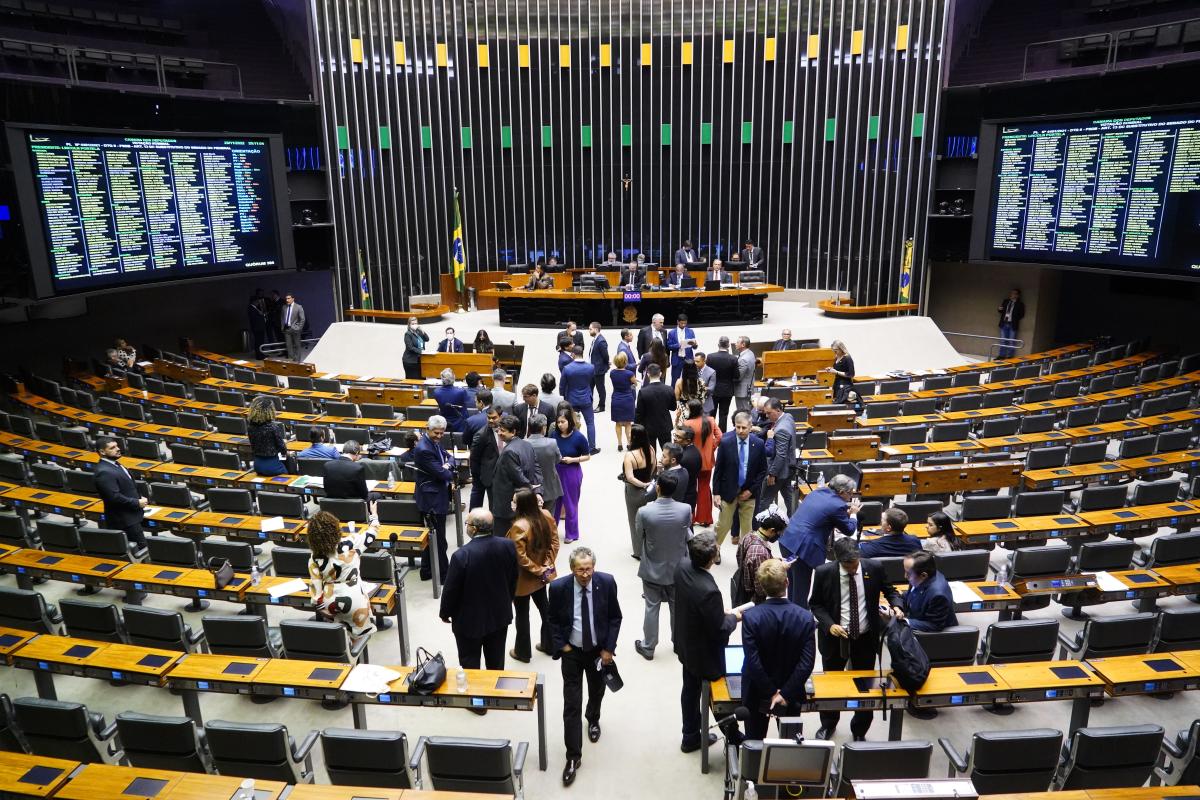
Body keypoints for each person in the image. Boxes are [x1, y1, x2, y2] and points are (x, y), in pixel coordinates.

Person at [809, 538, 904, 741]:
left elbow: (890, 590)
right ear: (838, 560)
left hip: (865, 638)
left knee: (866, 687)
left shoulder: (874, 567)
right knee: (831, 685)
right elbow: (815, 604)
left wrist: (897, 605)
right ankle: (828, 724)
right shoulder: (824, 572)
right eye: (848, 566)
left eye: (855, 565)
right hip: (835, 639)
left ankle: (859, 730)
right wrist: (829, 625)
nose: (853, 569)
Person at [549, 546, 622, 786]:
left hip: (597, 652)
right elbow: (552, 620)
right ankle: (573, 757)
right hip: (572, 652)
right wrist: (564, 646)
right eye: (580, 570)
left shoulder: (607, 583)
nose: (585, 574)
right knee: (571, 704)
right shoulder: (559, 588)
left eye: (589, 569)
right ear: (572, 569)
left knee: (597, 690)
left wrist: (608, 649)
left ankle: (593, 718)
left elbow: (614, 617)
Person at [673, 532, 742, 753]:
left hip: (686, 642)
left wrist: (714, 614)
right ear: (712, 558)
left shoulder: (682, 566)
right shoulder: (709, 591)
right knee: (719, 696)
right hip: (705, 654)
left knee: (689, 690)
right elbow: (720, 630)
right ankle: (733, 735)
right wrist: (732, 617)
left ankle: (690, 736)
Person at [741, 559, 817, 740]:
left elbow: (753, 662)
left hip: (757, 692)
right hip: (791, 692)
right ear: (787, 582)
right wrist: (784, 694)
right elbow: (807, 663)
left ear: (762, 586)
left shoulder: (751, 617)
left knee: (754, 742)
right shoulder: (805, 617)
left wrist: (771, 693)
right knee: (790, 746)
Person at [440, 508, 518, 672]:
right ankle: (496, 697)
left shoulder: (461, 555)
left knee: (470, 666)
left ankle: (474, 696)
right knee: (496, 664)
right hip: (499, 616)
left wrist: (445, 612)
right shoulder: (508, 546)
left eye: (467, 523)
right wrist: (507, 599)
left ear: (474, 529)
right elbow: (513, 578)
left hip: (469, 622)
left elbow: (451, 590)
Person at [779, 474, 862, 607]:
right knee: (801, 588)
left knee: (793, 583)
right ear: (841, 492)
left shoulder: (816, 492)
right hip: (803, 548)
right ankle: (800, 620)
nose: (851, 497)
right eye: (850, 493)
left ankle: (792, 612)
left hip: (789, 539)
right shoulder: (838, 505)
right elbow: (849, 530)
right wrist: (853, 514)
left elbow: (823, 513)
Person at [634, 471, 690, 661]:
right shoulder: (685, 509)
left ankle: (648, 647)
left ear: (657, 487)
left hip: (651, 569)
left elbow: (638, 535)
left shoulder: (644, 511)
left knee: (651, 607)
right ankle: (679, 644)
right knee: (677, 608)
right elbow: (687, 534)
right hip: (677, 569)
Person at [307, 508, 379, 645]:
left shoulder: (314, 558)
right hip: (355, 601)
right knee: (357, 644)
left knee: (340, 642)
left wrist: (326, 612)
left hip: (331, 604)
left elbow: (316, 597)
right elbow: (372, 533)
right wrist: (374, 516)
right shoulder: (351, 543)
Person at [508, 488, 560, 662]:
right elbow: (554, 541)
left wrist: (538, 569)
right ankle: (550, 644)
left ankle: (522, 652)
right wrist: (546, 565)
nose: (511, 503)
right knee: (545, 609)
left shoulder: (518, 526)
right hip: (541, 577)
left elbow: (519, 557)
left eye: (514, 501)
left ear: (521, 505)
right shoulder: (545, 514)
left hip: (523, 579)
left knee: (522, 615)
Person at [713, 411, 767, 558]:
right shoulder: (726, 442)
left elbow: (762, 471)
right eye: (738, 427)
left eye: (744, 427)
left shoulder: (759, 444)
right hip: (728, 491)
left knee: (747, 528)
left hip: (749, 493)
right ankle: (715, 551)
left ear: (751, 427)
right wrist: (716, 493)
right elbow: (718, 470)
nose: (741, 431)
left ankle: (745, 555)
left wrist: (750, 490)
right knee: (723, 525)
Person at [413, 415, 455, 583]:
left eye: (441, 433)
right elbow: (443, 473)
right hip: (432, 500)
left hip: (435, 494)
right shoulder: (424, 449)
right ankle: (444, 576)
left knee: (433, 537)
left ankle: (426, 570)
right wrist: (447, 467)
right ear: (427, 429)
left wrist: (447, 464)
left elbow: (449, 457)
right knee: (438, 540)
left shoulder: (434, 442)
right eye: (436, 433)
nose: (439, 436)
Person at [93, 437, 148, 551]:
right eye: (112, 448)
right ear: (102, 452)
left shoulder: (115, 464)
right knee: (141, 550)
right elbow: (113, 497)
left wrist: (139, 496)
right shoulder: (104, 472)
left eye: (117, 446)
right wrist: (137, 502)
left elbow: (127, 485)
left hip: (132, 515)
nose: (118, 449)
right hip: (124, 520)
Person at [491, 414, 542, 536]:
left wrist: (532, 489)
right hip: (522, 501)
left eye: (503, 430)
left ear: (513, 432)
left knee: (504, 537)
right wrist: (537, 489)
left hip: (507, 504)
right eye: (499, 429)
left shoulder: (509, 451)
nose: (499, 433)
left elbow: (518, 477)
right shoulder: (527, 445)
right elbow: (537, 469)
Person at [734, 507, 787, 606]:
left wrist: (775, 560)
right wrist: (781, 568)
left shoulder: (748, 536)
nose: (779, 536)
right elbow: (762, 589)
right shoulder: (760, 553)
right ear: (772, 530)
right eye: (778, 533)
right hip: (756, 603)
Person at [552, 410, 590, 543]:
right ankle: (552, 531)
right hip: (556, 470)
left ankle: (571, 533)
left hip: (571, 471)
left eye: (563, 422)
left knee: (570, 504)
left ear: (570, 421)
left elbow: (587, 456)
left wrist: (572, 460)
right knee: (555, 503)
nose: (560, 424)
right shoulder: (554, 435)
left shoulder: (578, 437)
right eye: (558, 422)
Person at [683, 400, 720, 527]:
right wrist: (712, 447)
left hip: (690, 461)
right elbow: (720, 437)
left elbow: (681, 440)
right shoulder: (710, 420)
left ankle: (691, 518)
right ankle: (705, 518)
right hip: (707, 462)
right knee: (704, 487)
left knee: (690, 488)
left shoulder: (687, 423)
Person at [622, 423, 657, 559]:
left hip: (634, 492)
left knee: (634, 521)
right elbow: (654, 467)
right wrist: (648, 483)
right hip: (649, 490)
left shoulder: (630, 456)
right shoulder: (651, 449)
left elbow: (630, 477)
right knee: (647, 521)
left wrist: (642, 484)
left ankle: (638, 552)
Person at [758, 398, 797, 514]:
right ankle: (794, 520)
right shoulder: (788, 417)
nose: (767, 416)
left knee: (764, 500)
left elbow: (780, 454)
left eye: (769, 413)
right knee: (789, 497)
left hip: (779, 472)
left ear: (778, 410)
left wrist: (772, 474)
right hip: (789, 468)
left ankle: (759, 526)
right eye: (766, 413)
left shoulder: (781, 430)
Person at [903, 551, 958, 632]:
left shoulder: (938, 595)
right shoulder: (921, 575)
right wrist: (896, 607)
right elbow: (910, 594)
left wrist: (905, 621)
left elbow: (934, 626)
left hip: (934, 637)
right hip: (915, 616)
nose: (905, 576)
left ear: (923, 575)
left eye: (908, 573)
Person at [561, 346, 598, 454]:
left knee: (573, 423)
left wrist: (564, 396)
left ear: (573, 354)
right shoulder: (591, 367)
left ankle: (574, 446)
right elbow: (592, 382)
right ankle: (592, 448)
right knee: (590, 423)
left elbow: (562, 386)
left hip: (572, 399)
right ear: (582, 353)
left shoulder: (567, 368)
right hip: (586, 398)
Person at [526, 414, 563, 512]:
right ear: (544, 428)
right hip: (550, 486)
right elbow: (558, 459)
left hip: (530, 489)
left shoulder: (523, 443)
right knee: (549, 517)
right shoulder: (552, 443)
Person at [469, 405, 503, 510]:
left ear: (500, 416)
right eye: (489, 418)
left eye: (494, 418)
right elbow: (474, 457)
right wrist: (478, 476)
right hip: (487, 475)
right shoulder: (481, 435)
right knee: (492, 506)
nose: (491, 420)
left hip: (501, 473)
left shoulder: (504, 429)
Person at [247, 395, 288, 476]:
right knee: (289, 474)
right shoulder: (273, 427)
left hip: (257, 464)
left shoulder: (250, 427)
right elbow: (282, 448)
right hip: (272, 466)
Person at [707, 337, 739, 431]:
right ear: (728, 345)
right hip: (727, 390)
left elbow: (708, 373)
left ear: (718, 345)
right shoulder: (733, 358)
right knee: (723, 414)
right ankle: (722, 435)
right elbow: (736, 376)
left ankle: (711, 433)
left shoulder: (710, 357)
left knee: (711, 413)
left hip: (713, 390)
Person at [609, 351, 637, 451]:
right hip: (627, 399)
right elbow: (634, 384)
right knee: (628, 424)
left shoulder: (612, 373)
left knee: (618, 423)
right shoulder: (629, 373)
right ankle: (629, 443)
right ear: (625, 361)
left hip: (616, 398)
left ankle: (619, 444)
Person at [673, 426, 702, 512]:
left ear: (688, 441)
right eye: (675, 435)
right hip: (689, 495)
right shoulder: (692, 450)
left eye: (678, 437)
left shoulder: (685, 458)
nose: (674, 439)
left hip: (684, 499)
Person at [432, 368, 470, 433]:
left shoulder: (436, 392)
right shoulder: (461, 391)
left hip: (444, 422)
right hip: (460, 423)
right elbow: (467, 401)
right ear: (454, 378)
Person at [666, 314, 698, 387]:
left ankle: (688, 396)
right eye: (682, 323)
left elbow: (694, 347)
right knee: (675, 380)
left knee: (689, 380)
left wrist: (694, 345)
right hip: (677, 360)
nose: (683, 325)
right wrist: (679, 345)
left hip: (688, 359)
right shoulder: (671, 333)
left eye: (685, 323)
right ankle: (674, 397)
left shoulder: (690, 331)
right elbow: (669, 346)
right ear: (678, 322)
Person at [673, 359, 706, 425]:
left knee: (684, 429)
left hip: (684, 410)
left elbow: (677, 399)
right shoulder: (701, 382)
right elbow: (703, 398)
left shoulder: (679, 382)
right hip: (697, 408)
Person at [587, 322, 610, 413]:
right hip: (592, 369)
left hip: (598, 370)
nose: (589, 331)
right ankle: (588, 405)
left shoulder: (601, 341)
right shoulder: (595, 339)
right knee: (590, 387)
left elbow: (605, 356)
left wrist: (605, 365)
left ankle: (601, 406)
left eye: (590, 329)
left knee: (600, 389)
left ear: (596, 329)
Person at [997, 288, 1025, 359]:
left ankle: (1010, 356)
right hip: (1004, 323)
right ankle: (1001, 356)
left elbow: (1021, 315)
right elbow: (1001, 311)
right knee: (1003, 340)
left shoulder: (1020, 304)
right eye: (1011, 293)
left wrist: (1014, 318)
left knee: (1011, 341)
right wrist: (999, 309)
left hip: (1012, 324)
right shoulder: (1006, 301)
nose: (1012, 294)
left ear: (1017, 295)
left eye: (1014, 293)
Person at [734, 336, 756, 411]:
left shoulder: (744, 359)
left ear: (743, 345)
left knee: (743, 413)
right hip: (748, 388)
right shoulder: (750, 353)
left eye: (737, 342)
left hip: (742, 391)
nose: (735, 344)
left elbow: (738, 376)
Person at [282, 293, 306, 361]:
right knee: (289, 347)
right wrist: (282, 327)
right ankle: (291, 362)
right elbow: (282, 318)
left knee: (297, 346)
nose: (287, 300)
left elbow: (302, 319)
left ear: (293, 299)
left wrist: (298, 328)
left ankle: (297, 362)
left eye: (289, 298)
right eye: (286, 298)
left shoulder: (298, 307)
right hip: (286, 329)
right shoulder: (284, 307)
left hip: (295, 329)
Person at [694, 352, 717, 416]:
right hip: (692, 404)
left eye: (697, 361)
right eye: (694, 361)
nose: (695, 363)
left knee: (705, 425)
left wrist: (699, 387)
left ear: (704, 361)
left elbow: (711, 388)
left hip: (705, 404)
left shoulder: (711, 372)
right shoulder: (691, 369)